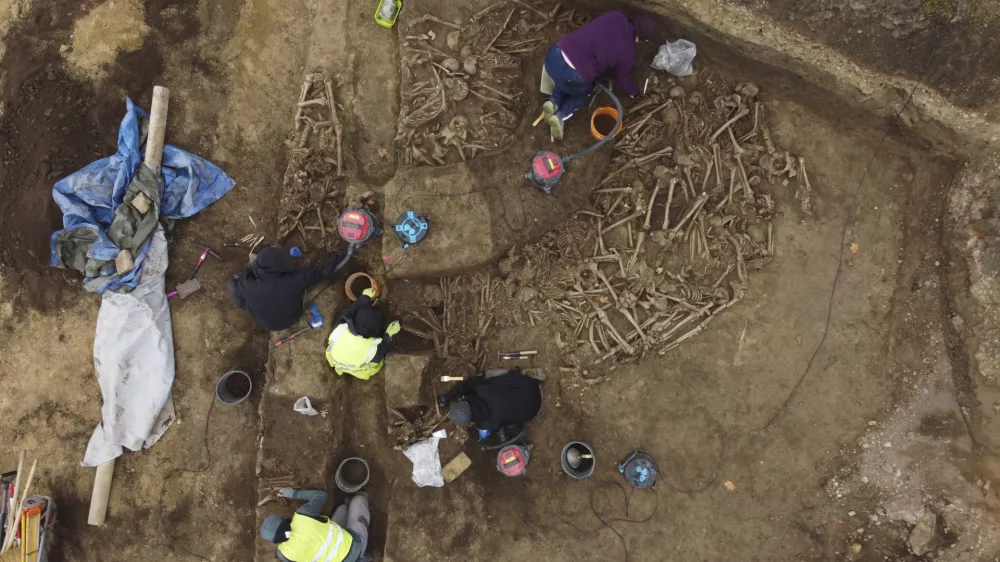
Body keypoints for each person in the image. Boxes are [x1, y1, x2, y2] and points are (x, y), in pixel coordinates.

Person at [540, 11, 656, 140]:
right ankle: (560, 116)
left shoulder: (616, 16)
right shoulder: (628, 52)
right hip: (574, 76)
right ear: (639, 38)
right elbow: (622, 79)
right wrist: (635, 92)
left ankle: (553, 102)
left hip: (554, 54)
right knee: (584, 90)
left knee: (565, 78)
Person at [228, 247, 347, 332]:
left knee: (233, 284)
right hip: (291, 318)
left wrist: (250, 272)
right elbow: (320, 272)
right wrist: (341, 256)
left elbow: (236, 281)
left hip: (265, 323)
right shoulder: (296, 279)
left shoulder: (247, 284)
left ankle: (247, 304)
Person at [260, 487, 371, 562]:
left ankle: (350, 507)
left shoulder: (283, 554)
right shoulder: (302, 516)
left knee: (343, 509)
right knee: (359, 499)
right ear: (282, 521)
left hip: (335, 557)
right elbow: (321, 495)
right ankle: (363, 555)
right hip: (354, 546)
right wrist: (292, 493)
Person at [325, 288, 400, 380]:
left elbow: (349, 312)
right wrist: (388, 334)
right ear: (377, 331)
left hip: (335, 361)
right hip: (359, 370)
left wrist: (364, 298)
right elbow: (382, 351)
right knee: (376, 365)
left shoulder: (340, 329)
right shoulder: (372, 350)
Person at [437, 368, 543, 431]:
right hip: (530, 387)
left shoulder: (485, 425)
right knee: (490, 378)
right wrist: (449, 395)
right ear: (463, 401)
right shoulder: (481, 389)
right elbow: (467, 384)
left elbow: (507, 424)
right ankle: (523, 373)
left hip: (532, 412)